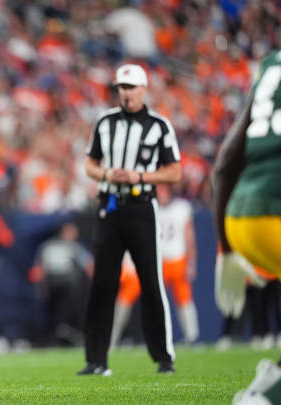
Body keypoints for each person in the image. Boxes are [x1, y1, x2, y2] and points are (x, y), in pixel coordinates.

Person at [80, 64, 181, 376]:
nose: (126, 93)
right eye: (122, 87)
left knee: (151, 281)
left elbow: (174, 171)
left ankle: (164, 357)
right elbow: (90, 164)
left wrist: (139, 175)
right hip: (109, 208)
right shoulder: (105, 121)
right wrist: (108, 173)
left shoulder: (159, 125)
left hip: (141, 207)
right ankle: (96, 360)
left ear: (143, 89)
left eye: (132, 87)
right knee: (102, 285)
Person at [212, 49, 281, 404]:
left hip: (242, 218)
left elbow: (224, 162)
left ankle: (271, 379)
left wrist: (226, 249)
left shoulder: (272, 65)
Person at [111, 184, 199, 346]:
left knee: (184, 298)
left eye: (164, 190)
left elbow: (189, 238)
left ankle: (192, 337)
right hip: (155, 260)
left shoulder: (182, 208)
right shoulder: (149, 208)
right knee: (136, 298)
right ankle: (114, 338)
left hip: (177, 259)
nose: (161, 194)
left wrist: (191, 262)